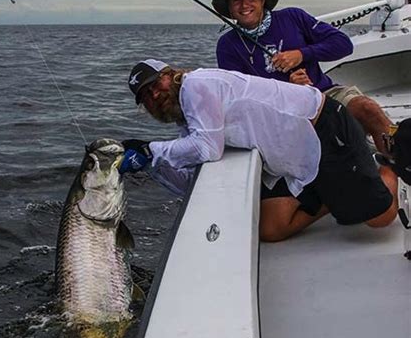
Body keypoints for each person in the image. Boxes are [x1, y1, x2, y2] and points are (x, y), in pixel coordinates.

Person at [119, 59, 399, 242]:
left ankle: (387, 166)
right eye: (145, 96)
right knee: (271, 228)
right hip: (291, 158)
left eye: (156, 84)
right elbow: (191, 179)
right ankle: (334, 196)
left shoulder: (195, 86)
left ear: (171, 74)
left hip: (324, 130)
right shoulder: (187, 119)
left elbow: (208, 149)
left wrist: (149, 149)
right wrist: (151, 165)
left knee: (380, 219)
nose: (154, 95)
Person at [211, 0, 393, 155]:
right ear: (229, 7)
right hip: (278, 113)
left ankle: (398, 159)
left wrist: (301, 54)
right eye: (236, 0)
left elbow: (343, 45)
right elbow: (238, 98)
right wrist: (288, 91)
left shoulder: (292, 17)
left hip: (322, 93)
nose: (244, 5)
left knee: (367, 108)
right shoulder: (227, 45)